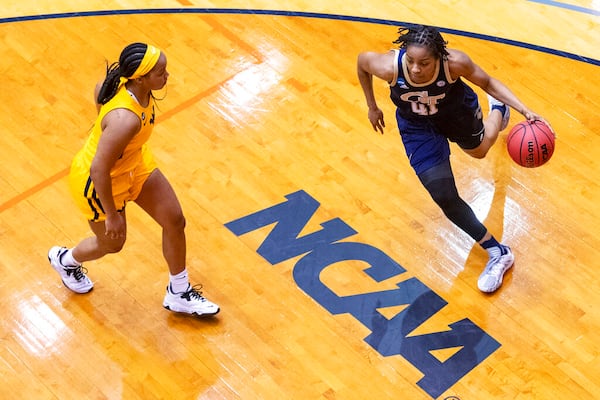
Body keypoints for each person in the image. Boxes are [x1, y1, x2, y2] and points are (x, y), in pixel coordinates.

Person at [357, 25, 550, 293]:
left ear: (438, 58)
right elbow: (361, 64)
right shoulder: (388, 66)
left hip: (456, 113)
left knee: (480, 151)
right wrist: (372, 106)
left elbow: (488, 82)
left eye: (423, 63)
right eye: (411, 61)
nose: (414, 69)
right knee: (443, 195)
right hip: (417, 127)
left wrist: (525, 110)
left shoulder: (455, 63)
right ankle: (498, 252)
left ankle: (498, 111)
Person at [48, 42, 219, 315]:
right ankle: (65, 260)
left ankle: (179, 291)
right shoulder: (125, 120)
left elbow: (100, 104)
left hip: (134, 163)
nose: (167, 76)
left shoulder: (121, 86)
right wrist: (112, 213)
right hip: (99, 181)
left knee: (174, 219)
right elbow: (98, 169)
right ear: (140, 78)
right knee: (113, 243)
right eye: (161, 72)